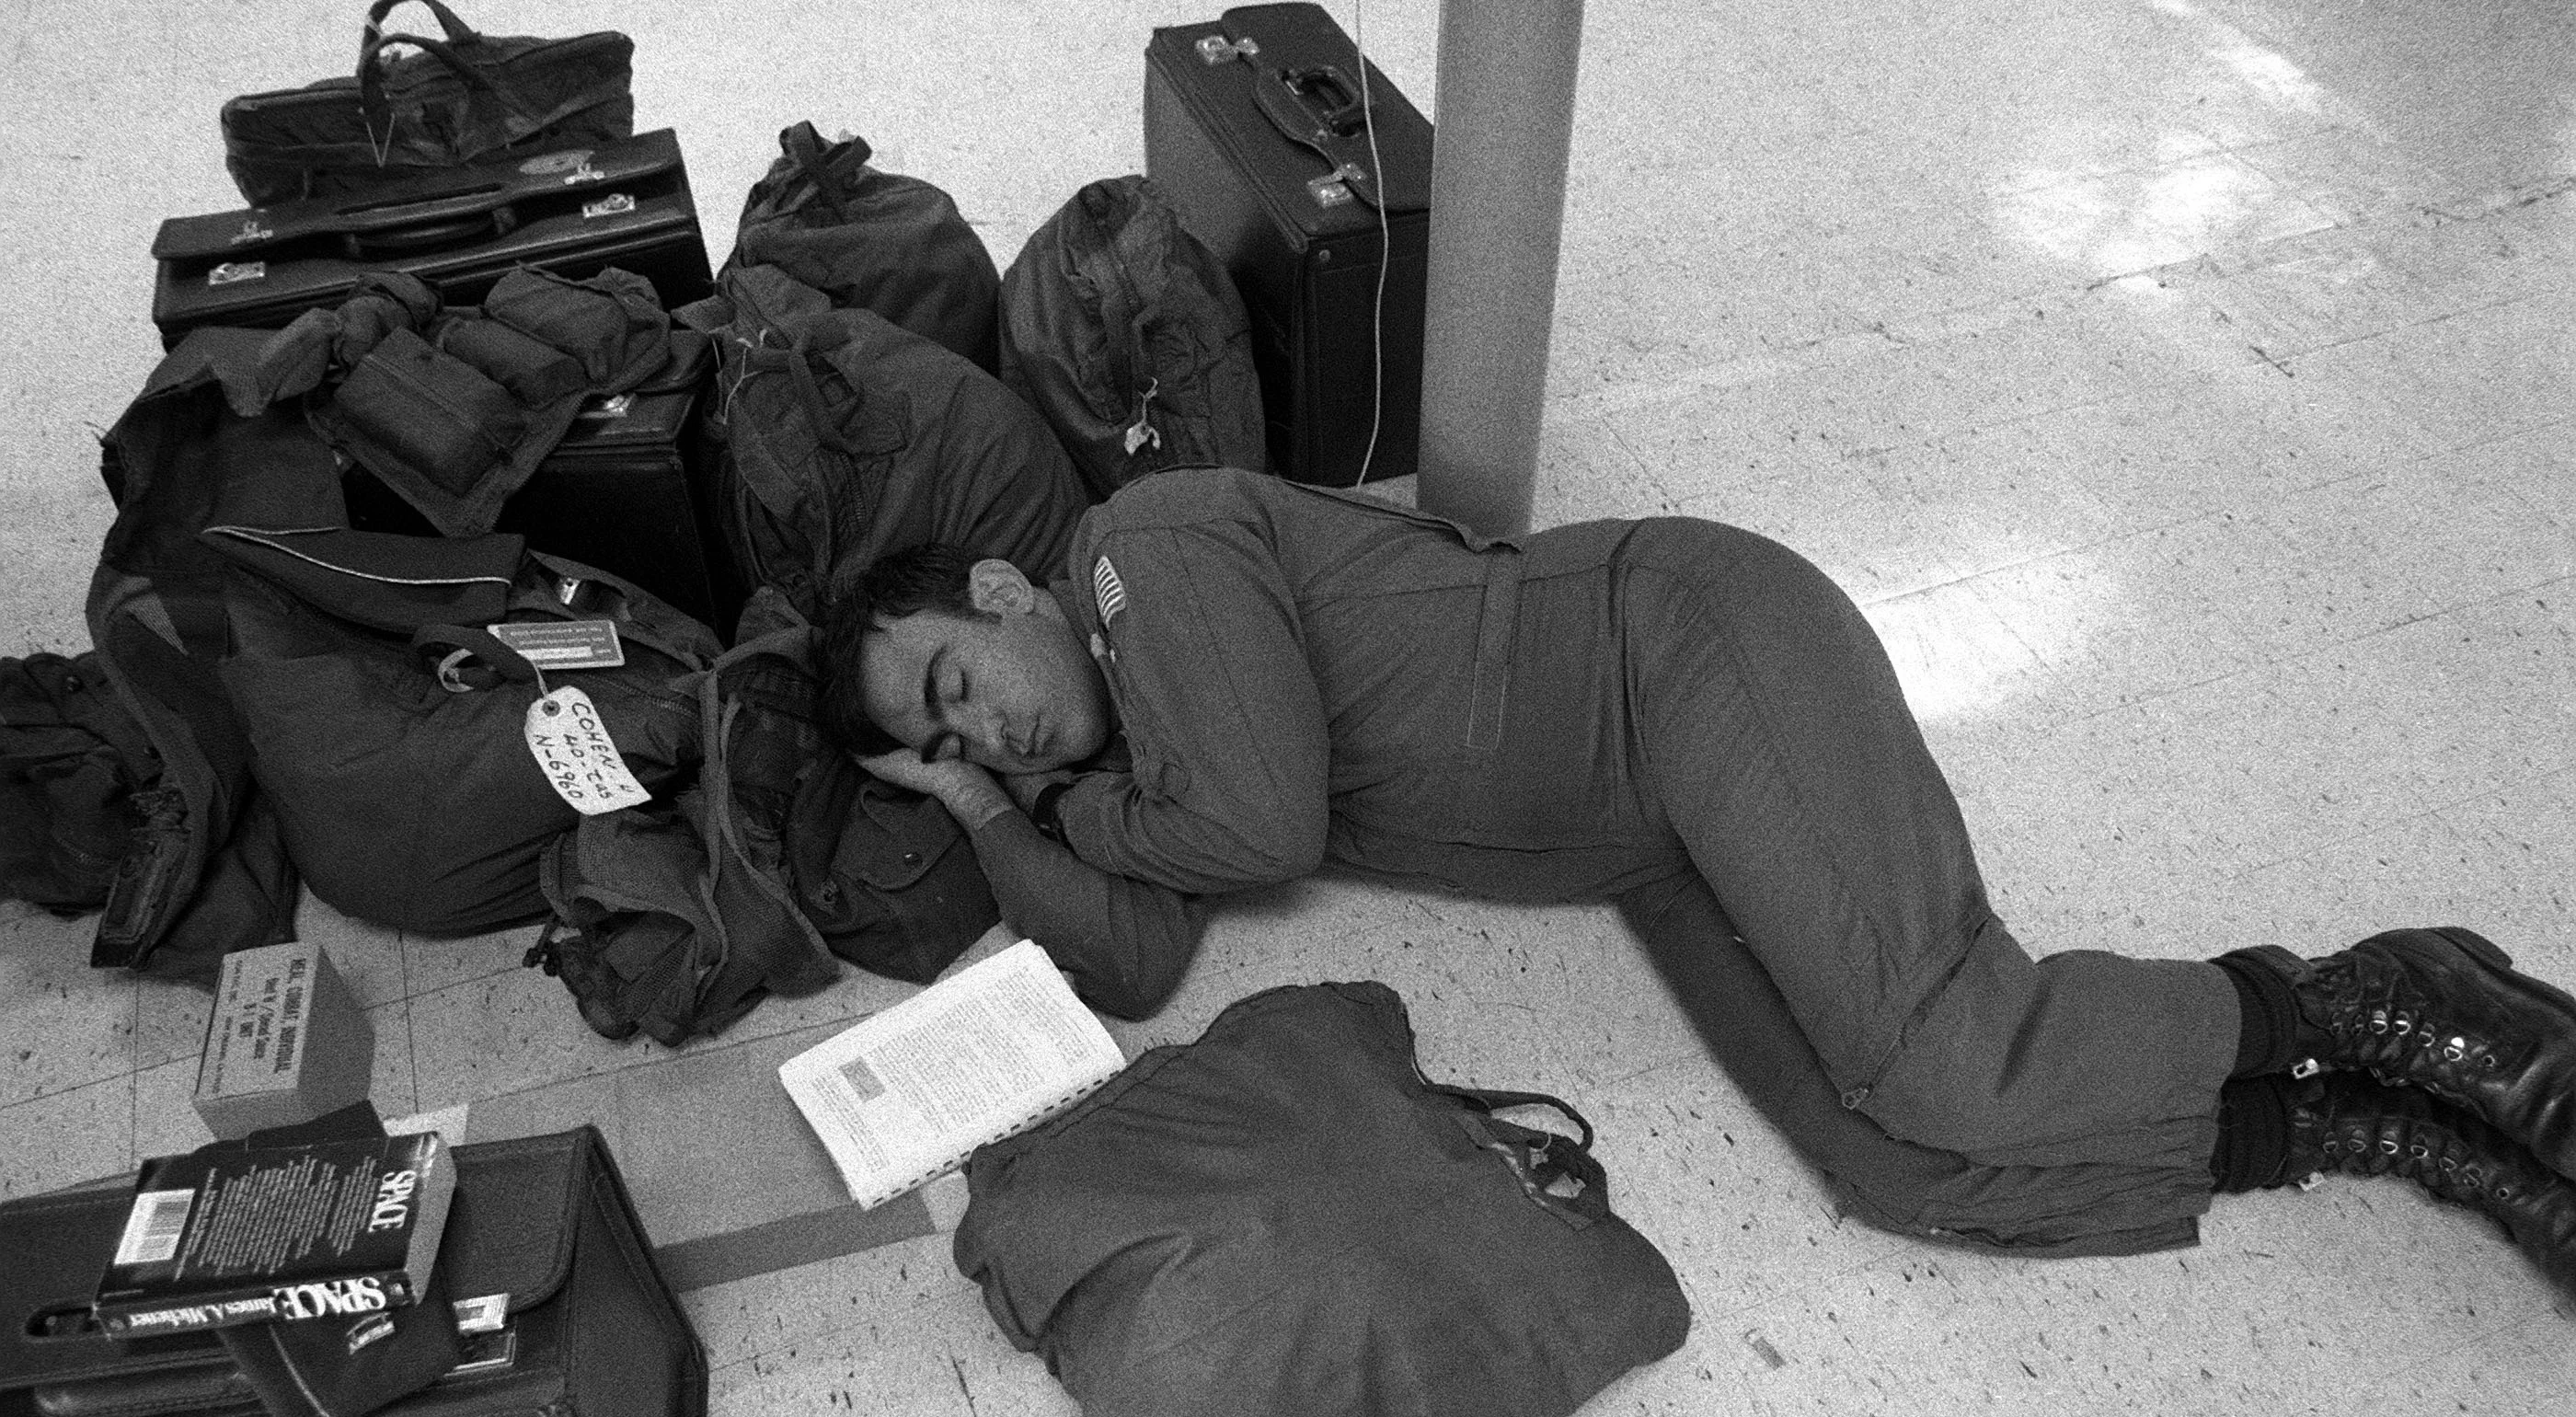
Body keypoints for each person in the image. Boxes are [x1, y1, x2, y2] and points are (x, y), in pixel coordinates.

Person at [816, 466, 2576, 1286]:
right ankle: (2376, 1126)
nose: (989, 732)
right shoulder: (1134, 772)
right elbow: (1125, 969)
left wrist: (1075, 820)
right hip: (1649, 833)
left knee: (1951, 1052)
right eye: (947, 739)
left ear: (996, 589)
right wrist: (991, 821)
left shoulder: (1142, 554)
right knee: (1905, 1172)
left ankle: (2404, 1004)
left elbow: (1265, 829)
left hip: (1682, 649)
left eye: (959, 686)